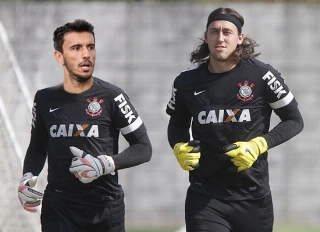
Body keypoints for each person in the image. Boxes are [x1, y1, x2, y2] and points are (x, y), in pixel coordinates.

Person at [166, 7, 303, 232]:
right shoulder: (185, 82)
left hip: (254, 197)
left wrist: (260, 144)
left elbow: (295, 120)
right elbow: (177, 125)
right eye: (214, 31)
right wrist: (179, 146)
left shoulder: (262, 76)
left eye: (227, 32)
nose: (220, 38)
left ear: (239, 38)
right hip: (205, 196)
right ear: (206, 36)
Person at [18, 19, 152, 232]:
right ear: (59, 56)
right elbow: (37, 147)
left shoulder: (112, 96)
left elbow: (144, 148)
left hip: (104, 206)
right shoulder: (44, 99)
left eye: (90, 47)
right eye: (76, 48)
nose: (86, 54)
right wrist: (27, 178)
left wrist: (105, 164)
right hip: (59, 207)